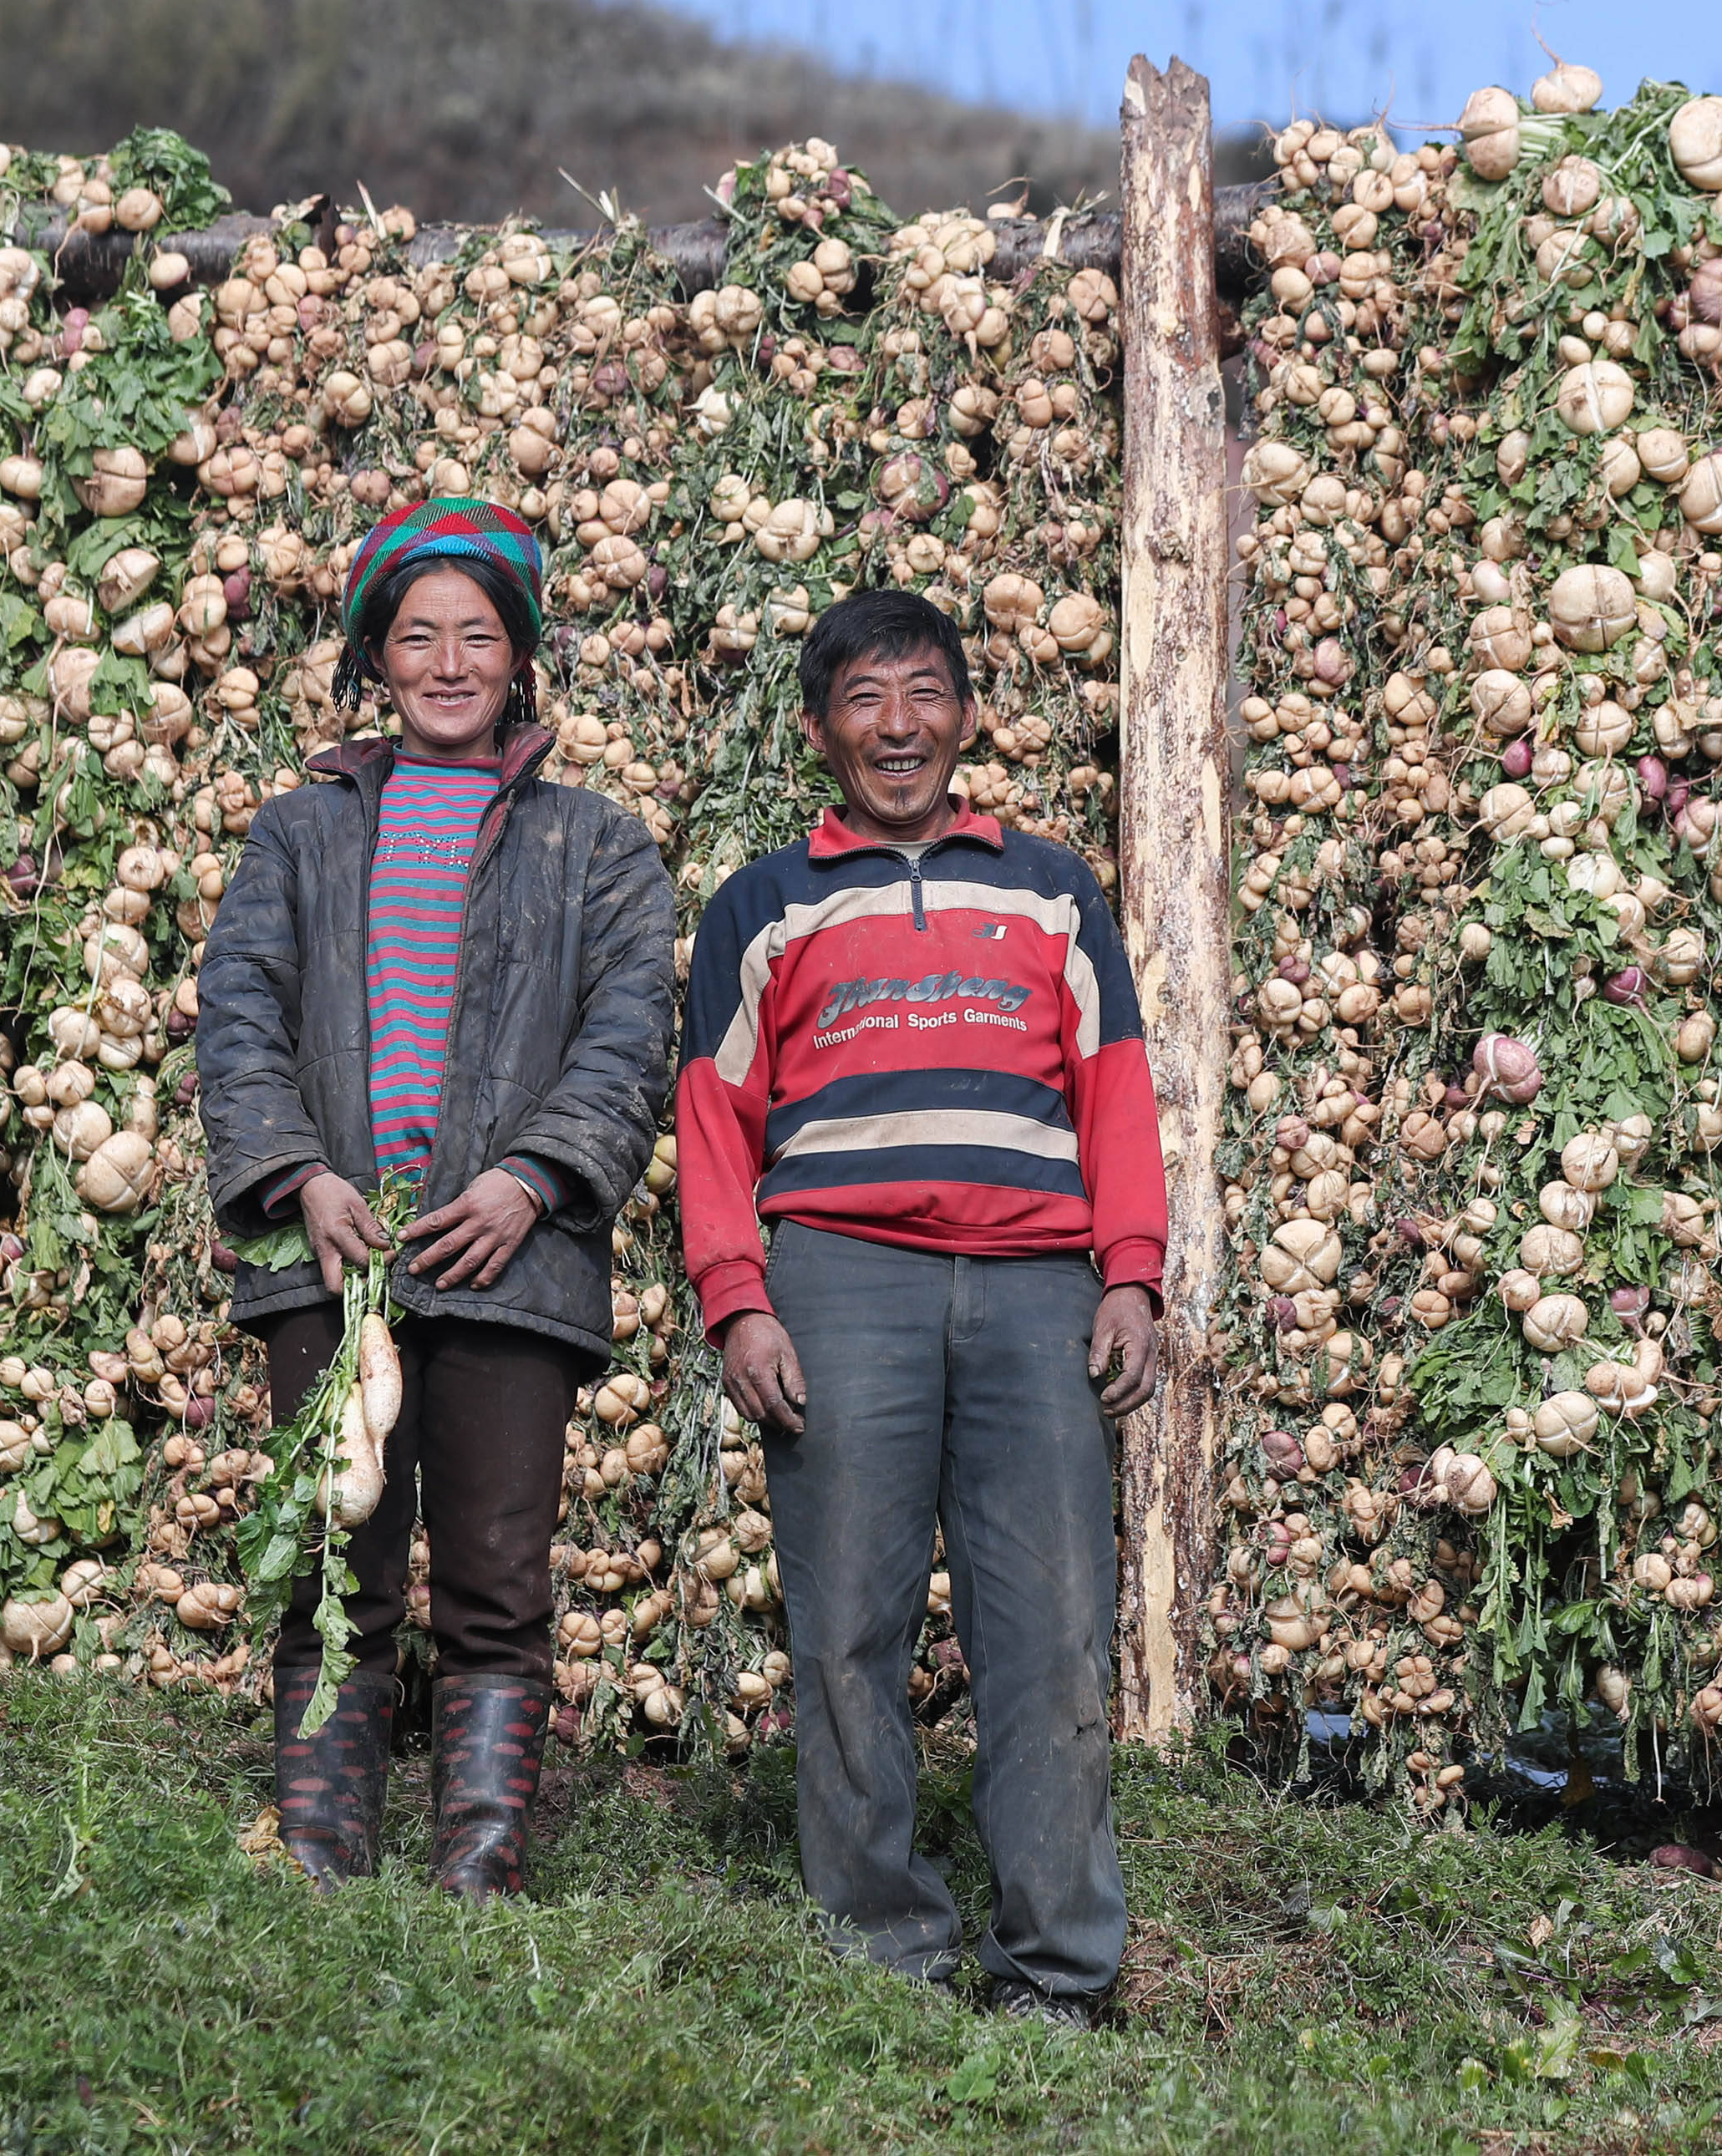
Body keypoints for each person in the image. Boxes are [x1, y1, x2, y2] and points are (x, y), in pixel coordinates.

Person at [679, 589, 1168, 2025]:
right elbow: (713, 1120)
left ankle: (1059, 1972)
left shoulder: (1052, 889)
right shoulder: (763, 906)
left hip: (1036, 1293)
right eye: (865, 699)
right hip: (841, 1282)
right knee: (845, 1633)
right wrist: (738, 1301)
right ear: (821, 730)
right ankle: (880, 1955)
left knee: (1055, 1628)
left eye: (926, 692)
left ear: (966, 714)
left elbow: (1118, 1090)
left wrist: (1130, 1271)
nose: (899, 727)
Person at [196, 499, 677, 1898]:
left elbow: (629, 1029)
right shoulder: (300, 835)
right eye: (419, 637)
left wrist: (533, 1183)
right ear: (376, 661)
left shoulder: (598, 844)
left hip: (509, 1260)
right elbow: (237, 1018)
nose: (450, 663)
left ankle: (476, 1871)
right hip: (334, 1253)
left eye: (479, 635)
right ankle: (322, 1858)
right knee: (332, 1566)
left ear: (520, 657)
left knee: (496, 1576)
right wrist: (299, 1177)